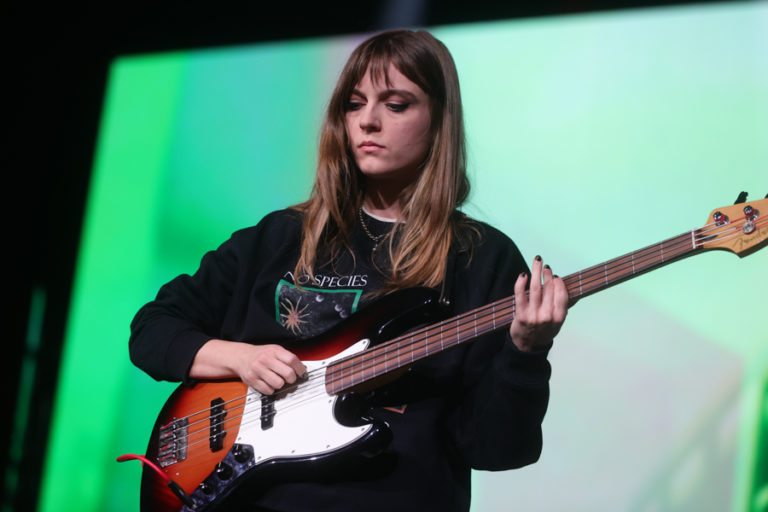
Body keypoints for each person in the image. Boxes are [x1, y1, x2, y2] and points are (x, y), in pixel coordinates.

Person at [130, 29, 568, 512]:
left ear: (439, 120)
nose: (367, 121)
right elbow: (152, 329)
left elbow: (497, 449)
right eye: (354, 104)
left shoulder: (480, 258)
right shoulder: (280, 237)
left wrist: (528, 351)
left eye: (395, 105)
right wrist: (239, 359)